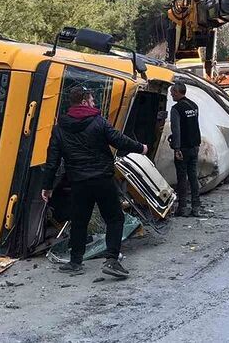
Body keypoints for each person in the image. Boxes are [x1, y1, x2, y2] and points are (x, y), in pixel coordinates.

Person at [41, 86, 147, 278]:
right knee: (115, 218)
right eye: (91, 100)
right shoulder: (98, 122)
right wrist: (141, 147)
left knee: (79, 221)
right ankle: (112, 260)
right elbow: (119, 140)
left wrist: (47, 187)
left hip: (79, 182)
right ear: (83, 101)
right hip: (102, 180)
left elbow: (52, 161)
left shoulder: (59, 128)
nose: (93, 103)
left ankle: (75, 262)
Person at [169, 82, 202, 217]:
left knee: (182, 178)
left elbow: (176, 129)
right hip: (195, 146)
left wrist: (176, 148)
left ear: (177, 92)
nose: (171, 95)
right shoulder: (194, 106)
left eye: (172, 92)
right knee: (193, 177)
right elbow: (193, 126)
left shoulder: (176, 109)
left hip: (183, 148)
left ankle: (182, 208)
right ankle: (196, 206)